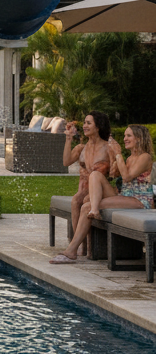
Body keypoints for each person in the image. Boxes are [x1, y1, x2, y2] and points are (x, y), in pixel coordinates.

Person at [53, 123, 154, 264]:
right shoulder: (130, 158)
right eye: (124, 135)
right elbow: (118, 177)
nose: (125, 138)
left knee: (86, 207)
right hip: (124, 195)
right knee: (94, 176)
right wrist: (114, 161)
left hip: (139, 200)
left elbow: (127, 177)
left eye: (128, 135)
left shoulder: (145, 157)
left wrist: (118, 153)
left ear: (138, 138)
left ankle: (71, 251)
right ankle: (90, 222)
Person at [52, 112, 111, 263]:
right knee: (77, 199)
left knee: (82, 199)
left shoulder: (108, 147)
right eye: (84, 122)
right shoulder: (81, 148)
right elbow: (66, 162)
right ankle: (79, 247)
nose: (85, 126)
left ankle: (83, 247)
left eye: (89, 123)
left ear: (98, 127)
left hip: (100, 191)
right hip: (83, 189)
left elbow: (115, 173)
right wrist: (68, 138)